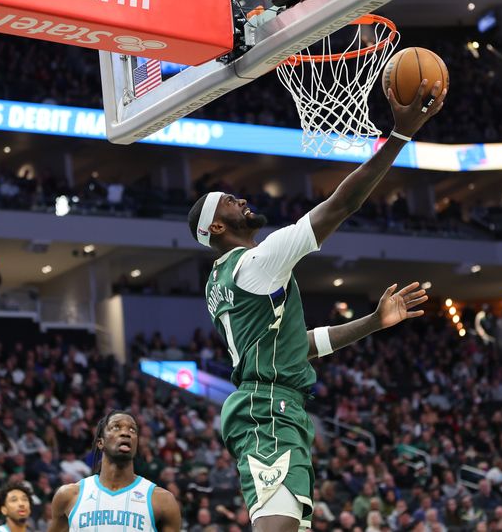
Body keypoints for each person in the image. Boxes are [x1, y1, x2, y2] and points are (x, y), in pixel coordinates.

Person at [186, 79, 446, 532]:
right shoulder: (258, 261)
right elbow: (342, 203)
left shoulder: (222, 280)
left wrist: (373, 321)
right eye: (229, 201)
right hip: (269, 407)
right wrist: (400, 135)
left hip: (268, 405)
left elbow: (297, 346)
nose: (242, 199)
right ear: (216, 230)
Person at [47, 410, 181, 532]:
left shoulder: (162, 500)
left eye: (132, 430)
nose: (126, 433)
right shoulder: (69, 496)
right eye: (116, 427)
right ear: (100, 443)